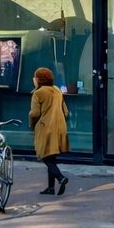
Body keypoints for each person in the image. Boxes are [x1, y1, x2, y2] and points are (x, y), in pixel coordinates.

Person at [28, 67, 69, 195]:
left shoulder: (38, 93)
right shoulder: (57, 90)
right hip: (59, 128)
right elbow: (66, 112)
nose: (33, 80)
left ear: (38, 80)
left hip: (45, 127)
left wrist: (32, 124)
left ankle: (60, 178)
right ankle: (51, 188)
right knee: (52, 157)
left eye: (35, 78)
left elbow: (34, 113)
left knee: (44, 156)